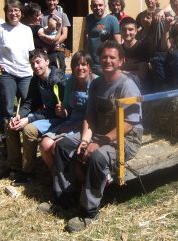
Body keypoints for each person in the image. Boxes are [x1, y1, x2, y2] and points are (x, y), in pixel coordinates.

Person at [62, 41, 143, 232]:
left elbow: (129, 123)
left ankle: (88, 212)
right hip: (100, 132)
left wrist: (99, 143)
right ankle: (64, 196)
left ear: (121, 61)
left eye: (112, 57)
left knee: (98, 157)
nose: (107, 60)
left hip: (126, 138)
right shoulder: (96, 83)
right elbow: (89, 115)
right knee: (65, 145)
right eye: (104, 57)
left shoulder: (127, 86)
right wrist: (84, 140)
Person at [5, 49, 66, 185]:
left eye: (38, 62)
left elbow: (56, 111)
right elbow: (29, 102)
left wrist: (29, 119)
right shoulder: (36, 80)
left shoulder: (57, 80)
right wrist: (19, 116)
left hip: (59, 118)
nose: (35, 66)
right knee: (9, 125)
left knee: (29, 129)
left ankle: (28, 172)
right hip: (45, 115)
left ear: (47, 61)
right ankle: (15, 167)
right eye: (32, 64)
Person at [39, 52, 97, 171]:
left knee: (57, 146)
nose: (80, 68)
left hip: (89, 127)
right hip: (70, 122)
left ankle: (69, 179)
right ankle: (55, 175)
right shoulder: (71, 82)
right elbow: (67, 110)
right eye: (76, 64)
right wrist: (62, 111)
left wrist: (77, 126)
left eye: (83, 64)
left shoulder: (96, 83)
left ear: (89, 67)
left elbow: (96, 116)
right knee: (44, 145)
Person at [0, 0, 35, 152]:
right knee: (7, 109)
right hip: (7, 73)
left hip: (26, 74)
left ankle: (29, 141)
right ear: (6, 12)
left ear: (21, 13)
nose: (13, 13)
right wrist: (0, 67)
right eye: (10, 10)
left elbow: (30, 53)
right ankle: (8, 144)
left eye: (16, 10)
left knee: (28, 107)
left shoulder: (27, 30)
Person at [84, 0, 121, 74]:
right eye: (95, 5)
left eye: (100, 5)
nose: (98, 8)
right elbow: (86, 38)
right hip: (90, 64)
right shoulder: (88, 19)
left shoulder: (112, 20)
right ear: (91, 7)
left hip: (105, 64)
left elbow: (118, 43)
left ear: (105, 6)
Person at [41, 0, 71, 71]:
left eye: (54, 0)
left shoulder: (63, 15)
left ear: (57, 1)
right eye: (49, 0)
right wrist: (49, 45)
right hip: (46, 49)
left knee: (61, 68)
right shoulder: (41, 16)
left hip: (59, 48)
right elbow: (40, 34)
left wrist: (55, 44)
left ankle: (60, 84)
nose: (52, 2)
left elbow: (65, 35)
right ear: (46, 1)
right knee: (48, 69)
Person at [120, 17, 149, 90]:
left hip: (138, 86)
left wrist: (122, 72)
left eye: (130, 29)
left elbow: (143, 74)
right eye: (124, 30)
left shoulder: (142, 47)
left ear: (136, 31)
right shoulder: (118, 49)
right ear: (120, 31)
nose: (127, 33)